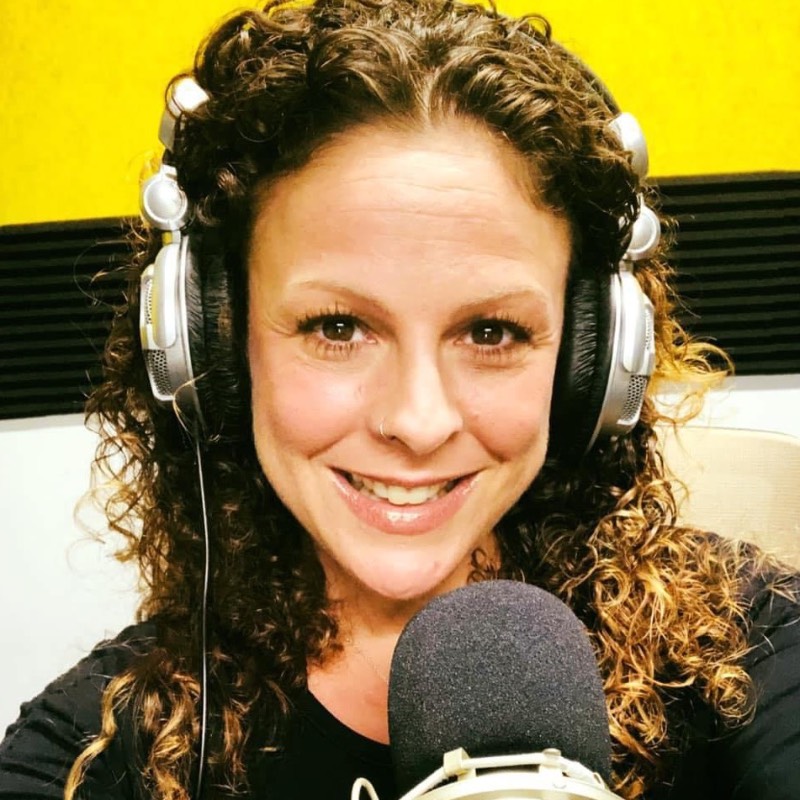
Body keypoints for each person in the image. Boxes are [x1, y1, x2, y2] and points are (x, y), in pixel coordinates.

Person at [1, 1, 798, 798]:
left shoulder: (744, 647)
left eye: (491, 332)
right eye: (337, 327)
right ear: (213, 349)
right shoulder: (96, 747)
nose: (418, 422)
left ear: (590, 363)